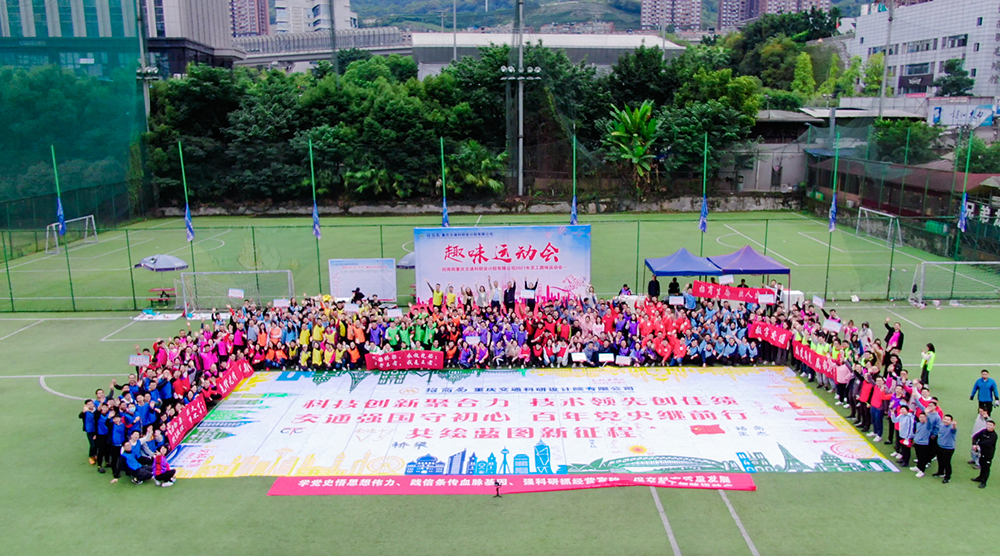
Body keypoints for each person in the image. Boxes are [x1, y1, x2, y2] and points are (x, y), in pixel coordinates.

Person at [972, 420, 997, 488]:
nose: (989, 426)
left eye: (990, 425)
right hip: (982, 452)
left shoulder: (994, 435)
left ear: (994, 426)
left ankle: (984, 482)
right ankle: (980, 477)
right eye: (988, 424)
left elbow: (988, 444)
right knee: (982, 464)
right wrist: (974, 444)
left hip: (988, 454)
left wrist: (978, 444)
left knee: (986, 467)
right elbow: (975, 437)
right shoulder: (983, 431)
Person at [933, 414, 957, 483]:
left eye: (948, 420)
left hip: (948, 448)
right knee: (940, 460)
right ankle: (940, 472)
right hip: (940, 446)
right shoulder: (941, 426)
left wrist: (954, 425)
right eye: (945, 419)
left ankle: (947, 477)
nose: (946, 421)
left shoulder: (952, 428)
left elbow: (954, 430)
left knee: (947, 463)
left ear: (951, 421)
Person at [78, 399, 97, 465]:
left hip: (96, 430)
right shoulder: (85, 412)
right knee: (92, 444)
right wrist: (83, 411)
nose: (91, 405)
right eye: (89, 404)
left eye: (91, 403)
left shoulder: (96, 410)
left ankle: (95, 454)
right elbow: (80, 416)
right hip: (90, 431)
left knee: (97, 444)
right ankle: (91, 456)